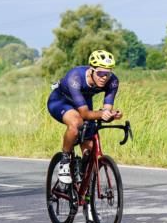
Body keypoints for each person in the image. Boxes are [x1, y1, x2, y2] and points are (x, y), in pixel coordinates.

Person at [47, 50, 122, 185]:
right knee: (76, 122)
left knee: (89, 148)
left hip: (83, 102)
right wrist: (101, 114)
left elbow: (105, 111)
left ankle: (81, 176)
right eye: (100, 73)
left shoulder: (113, 82)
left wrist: (111, 115)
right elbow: (84, 114)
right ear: (91, 70)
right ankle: (64, 162)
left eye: (108, 73)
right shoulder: (75, 77)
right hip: (60, 101)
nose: (104, 77)